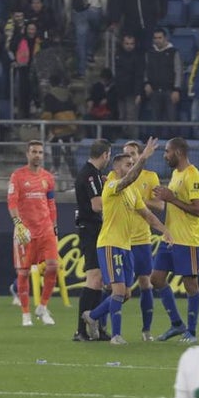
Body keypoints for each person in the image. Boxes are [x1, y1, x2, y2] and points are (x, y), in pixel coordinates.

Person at [82, 139, 172, 345]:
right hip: (110, 244)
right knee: (118, 291)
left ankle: (93, 316)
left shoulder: (132, 192)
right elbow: (130, 178)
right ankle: (116, 336)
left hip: (126, 246)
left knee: (126, 294)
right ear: (116, 168)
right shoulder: (112, 185)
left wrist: (164, 230)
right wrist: (144, 157)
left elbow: (147, 214)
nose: (131, 167)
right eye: (127, 164)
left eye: (133, 164)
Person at [151, 137, 199, 343]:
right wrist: (164, 195)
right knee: (156, 279)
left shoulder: (193, 175)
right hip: (170, 238)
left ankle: (191, 331)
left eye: (167, 151)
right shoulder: (175, 174)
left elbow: (198, 210)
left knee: (190, 284)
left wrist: (171, 198)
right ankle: (176, 324)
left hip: (187, 239)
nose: (165, 156)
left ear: (179, 153)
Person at [8, 140, 60, 327]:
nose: (37, 155)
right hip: (26, 233)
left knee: (53, 266)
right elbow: (12, 202)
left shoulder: (48, 178)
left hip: (46, 229)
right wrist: (18, 223)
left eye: (40, 152)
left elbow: (51, 203)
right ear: (27, 154)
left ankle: (42, 307)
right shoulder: (18, 176)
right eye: (34, 152)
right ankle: (25, 314)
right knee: (24, 273)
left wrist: (54, 227)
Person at [122, 140, 165, 341]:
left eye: (132, 153)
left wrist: (138, 199)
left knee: (145, 282)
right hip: (120, 239)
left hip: (141, 239)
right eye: (126, 154)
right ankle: (102, 325)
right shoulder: (118, 177)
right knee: (114, 286)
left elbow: (160, 205)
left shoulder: (150, 177)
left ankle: (146, 330)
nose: (129, 157)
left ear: (140, 155)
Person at [73, 139, 112, 341]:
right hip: (90, 229)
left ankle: (95, 327)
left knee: (98, 280)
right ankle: (80, 330)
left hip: (93, 229)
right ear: (105, 154)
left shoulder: (92, 174)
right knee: (94, 278)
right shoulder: (91, 175)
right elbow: (97, 205)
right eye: (109, 156)